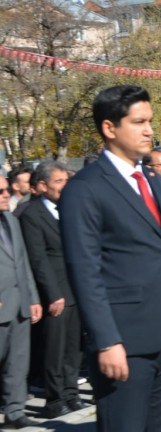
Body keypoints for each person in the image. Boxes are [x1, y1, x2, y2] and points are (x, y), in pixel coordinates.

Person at [59, 85, 161, 431]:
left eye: (150, 121)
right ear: (110, 128)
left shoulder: (156, 183)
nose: (149, 130)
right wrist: (106, 340)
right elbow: (85, 272)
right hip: (124, 343)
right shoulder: (85, 189)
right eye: (138, 122)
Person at [18, 161, 88, 419]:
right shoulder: (32, 214)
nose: (64, 186)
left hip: (75, 289)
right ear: (42, 185)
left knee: (74, 347)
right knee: (54, 349)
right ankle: (55, 398)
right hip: (55, 293)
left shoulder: (67, 209)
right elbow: (38, 258)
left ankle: (71, 394)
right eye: (59, 181)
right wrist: (52, 293)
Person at [0, 175, 42, 429]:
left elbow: (23, 262)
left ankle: (14, 411)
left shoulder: (10, 221)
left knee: (17, 361)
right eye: (1, 191)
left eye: (6, 190)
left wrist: (33, 298)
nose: (7, 194)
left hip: (19, 304)